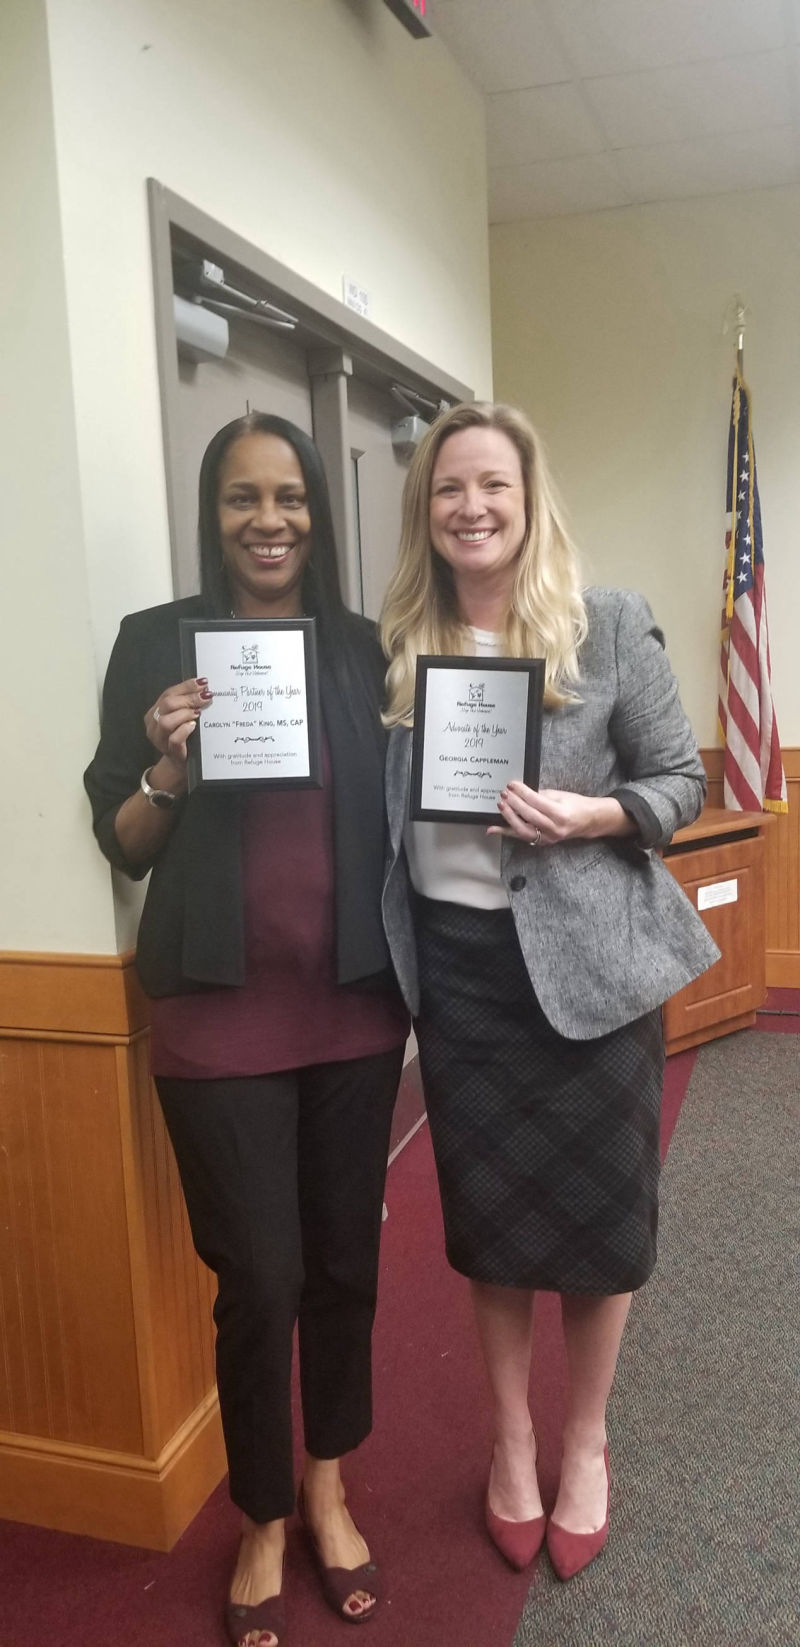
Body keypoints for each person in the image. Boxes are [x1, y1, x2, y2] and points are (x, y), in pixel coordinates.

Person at [380, 401, 719, 1581]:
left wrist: (595, 814)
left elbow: (677, 781)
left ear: (528, 503)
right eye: (447, 489)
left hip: (590, 974)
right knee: (492, 1227)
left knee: (598, 1226)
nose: (470, 507)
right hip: (460, 978)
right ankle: (510, 1440)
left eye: (493, 486)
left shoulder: (603, 623)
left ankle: (583, 1439)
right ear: (425, 510)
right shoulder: (396, 644)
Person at [84, 412, 409, 1646]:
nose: (267, 520)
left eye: (289, 497)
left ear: (317, 513)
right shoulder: (153, 643)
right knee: (259, 1280)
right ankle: (261, 1513)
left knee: (342, 1266)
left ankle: (327, 1487)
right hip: (216, 1021)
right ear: (211, 514)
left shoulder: (365, 651)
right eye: (240, 497)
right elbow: (124, 841)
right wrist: (167, 763)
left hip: (353, 1011)